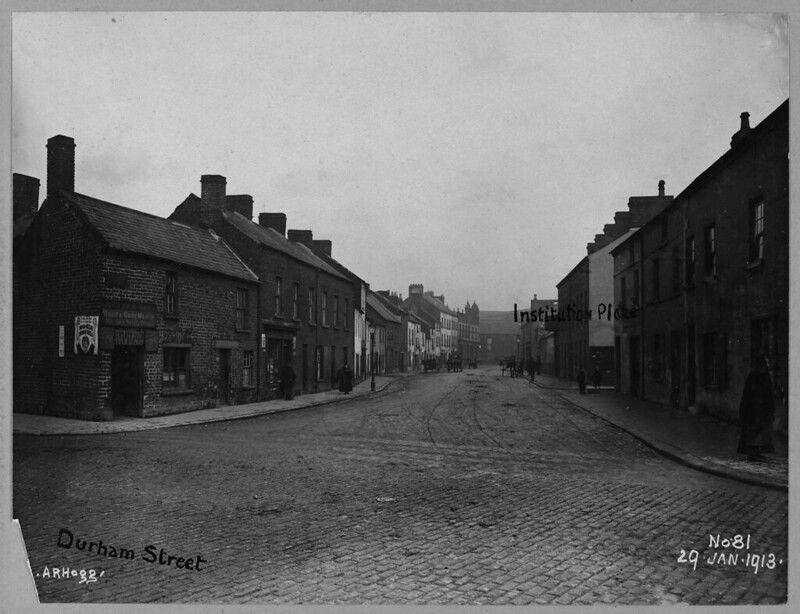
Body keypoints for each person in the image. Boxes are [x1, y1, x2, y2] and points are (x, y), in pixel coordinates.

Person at [737, 354, 776, 462]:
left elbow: (769, 393)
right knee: (752, 432)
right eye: (765, 363)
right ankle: (752, 453)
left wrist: (769, 407)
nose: (766, 365)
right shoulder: (753, 376)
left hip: (762, 409)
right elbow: (749, 395)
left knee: (761, 433)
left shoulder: (765, 376)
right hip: (753, 410)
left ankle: (758, 452)